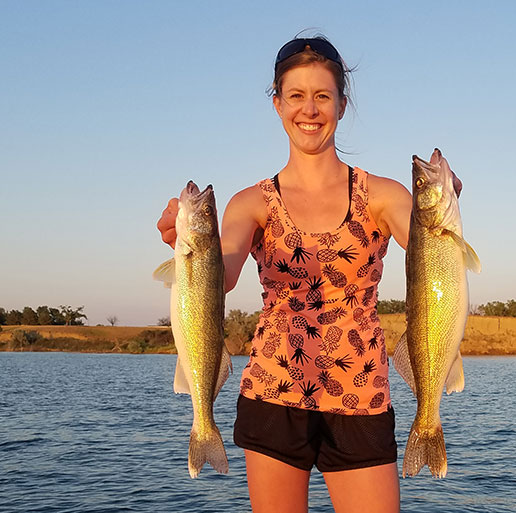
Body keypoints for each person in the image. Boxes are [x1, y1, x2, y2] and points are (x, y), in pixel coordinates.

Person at [157, 35, 412, 513]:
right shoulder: (249, 203)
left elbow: (430, 254)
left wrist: (446, 212)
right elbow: (221, 277)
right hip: (273, 391)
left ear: (341, 104)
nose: (309, 110)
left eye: (322, 96)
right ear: (277, 103)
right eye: (296, 95)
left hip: (360, 395)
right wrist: (187, 243)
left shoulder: (384, 195)